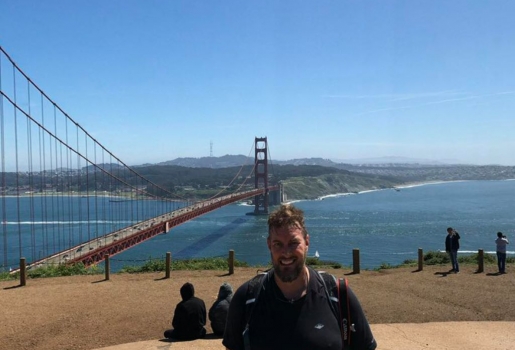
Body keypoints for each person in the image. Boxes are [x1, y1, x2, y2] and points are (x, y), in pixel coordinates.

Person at [223, 204, 377, 350]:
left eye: (293, 243)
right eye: (278, 244)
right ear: (269, 244)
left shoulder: (338, 294)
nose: (286, 252)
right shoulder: (246, 299)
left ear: (307, 242)